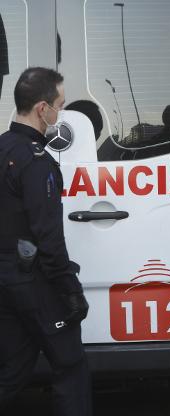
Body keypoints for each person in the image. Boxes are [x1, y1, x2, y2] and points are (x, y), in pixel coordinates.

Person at [0, 67, 91, 415]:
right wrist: (70, 289)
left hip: (6, 284)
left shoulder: (4, 147)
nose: (60, 113)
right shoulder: (37, 162)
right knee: (71, 368)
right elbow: (49, 239)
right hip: (34, 283)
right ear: (42, 109)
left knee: (13, 372)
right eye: (60, 105)